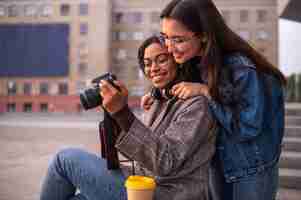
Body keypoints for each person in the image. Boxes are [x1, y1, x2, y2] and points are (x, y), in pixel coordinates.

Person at [40, 35, 216, 200]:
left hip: (164, 193)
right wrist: (113, 115)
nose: (153, 68)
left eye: (162, 60)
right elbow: (137, 153)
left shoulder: (196, 105)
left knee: (65, 159)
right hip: (141, 183)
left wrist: (122, 113)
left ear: (178, 62)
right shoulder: (158, 100)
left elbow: (164, 162)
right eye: (147, 63)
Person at [141, 1, 286, 200]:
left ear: (204, 35)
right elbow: (180, 82)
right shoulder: (194, 59)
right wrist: (157, 94)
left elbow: (248, 127)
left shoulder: (241, 69)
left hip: (251, 169)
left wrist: (205, 92)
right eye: (166, 37)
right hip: (217, 165)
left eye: (178, 40)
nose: (170, 48)